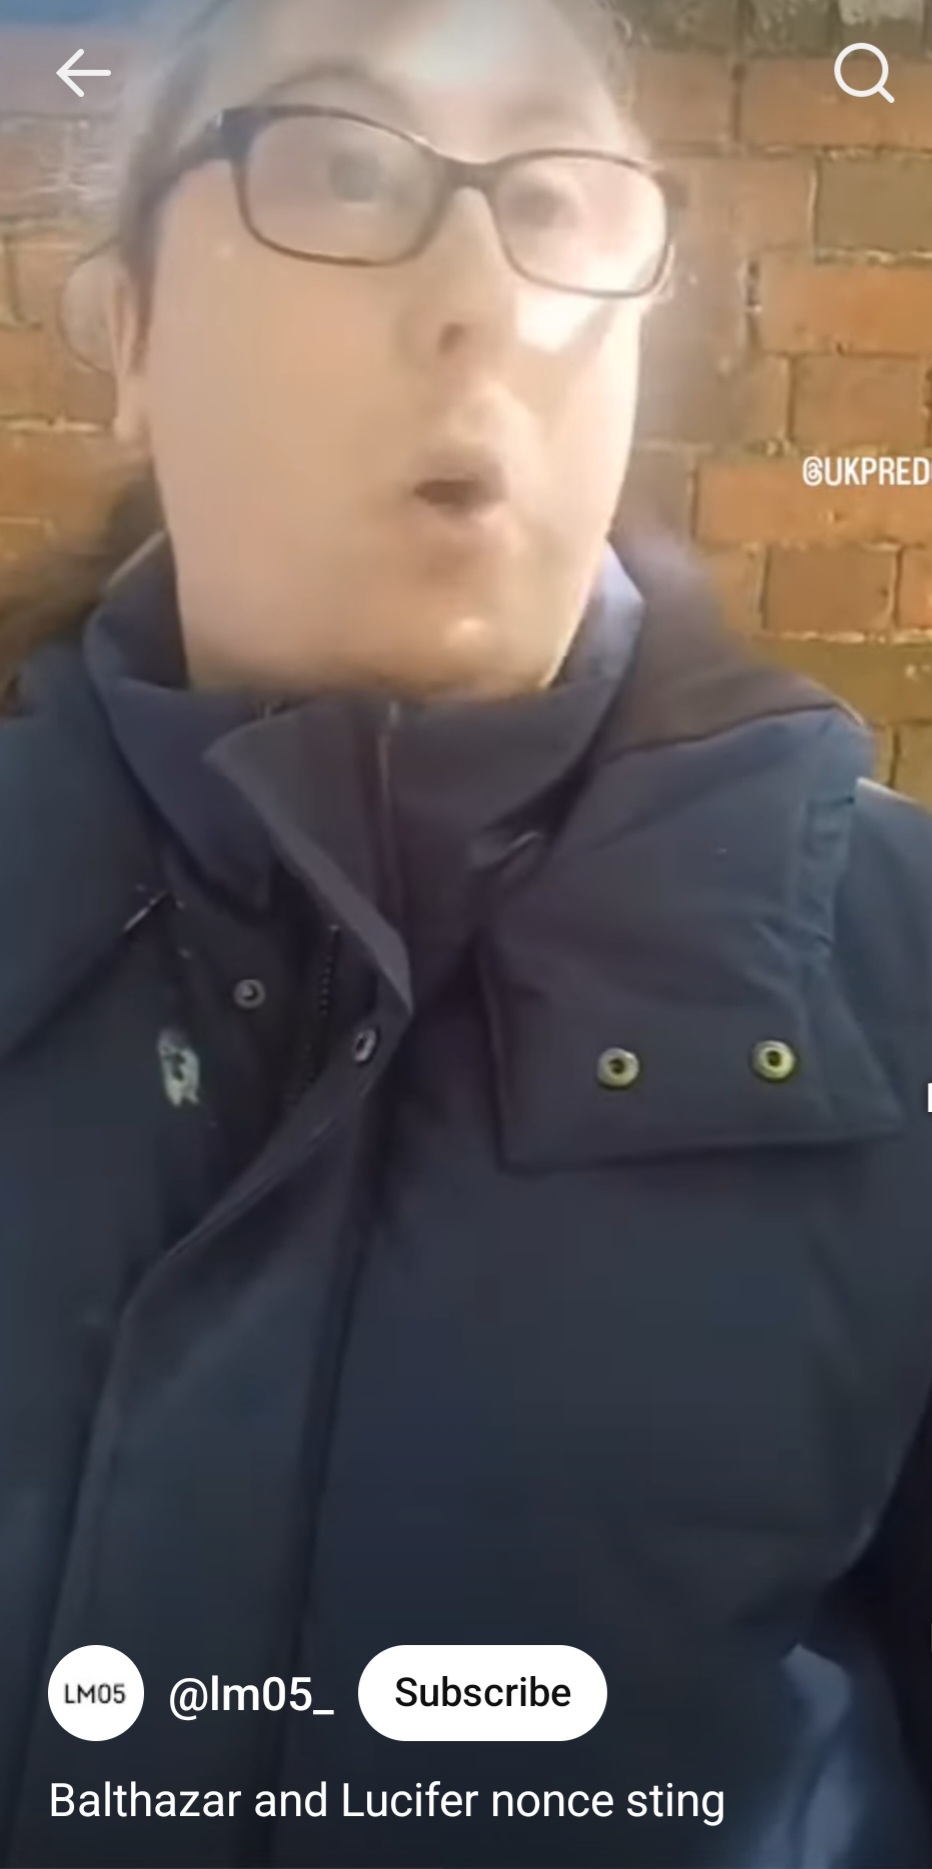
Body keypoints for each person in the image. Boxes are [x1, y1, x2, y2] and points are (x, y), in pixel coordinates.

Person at [1, 2, 932, 1865]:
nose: (487, 298)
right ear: (130, 339)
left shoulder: (900, 978)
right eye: (344, 171)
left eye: (562, 202)